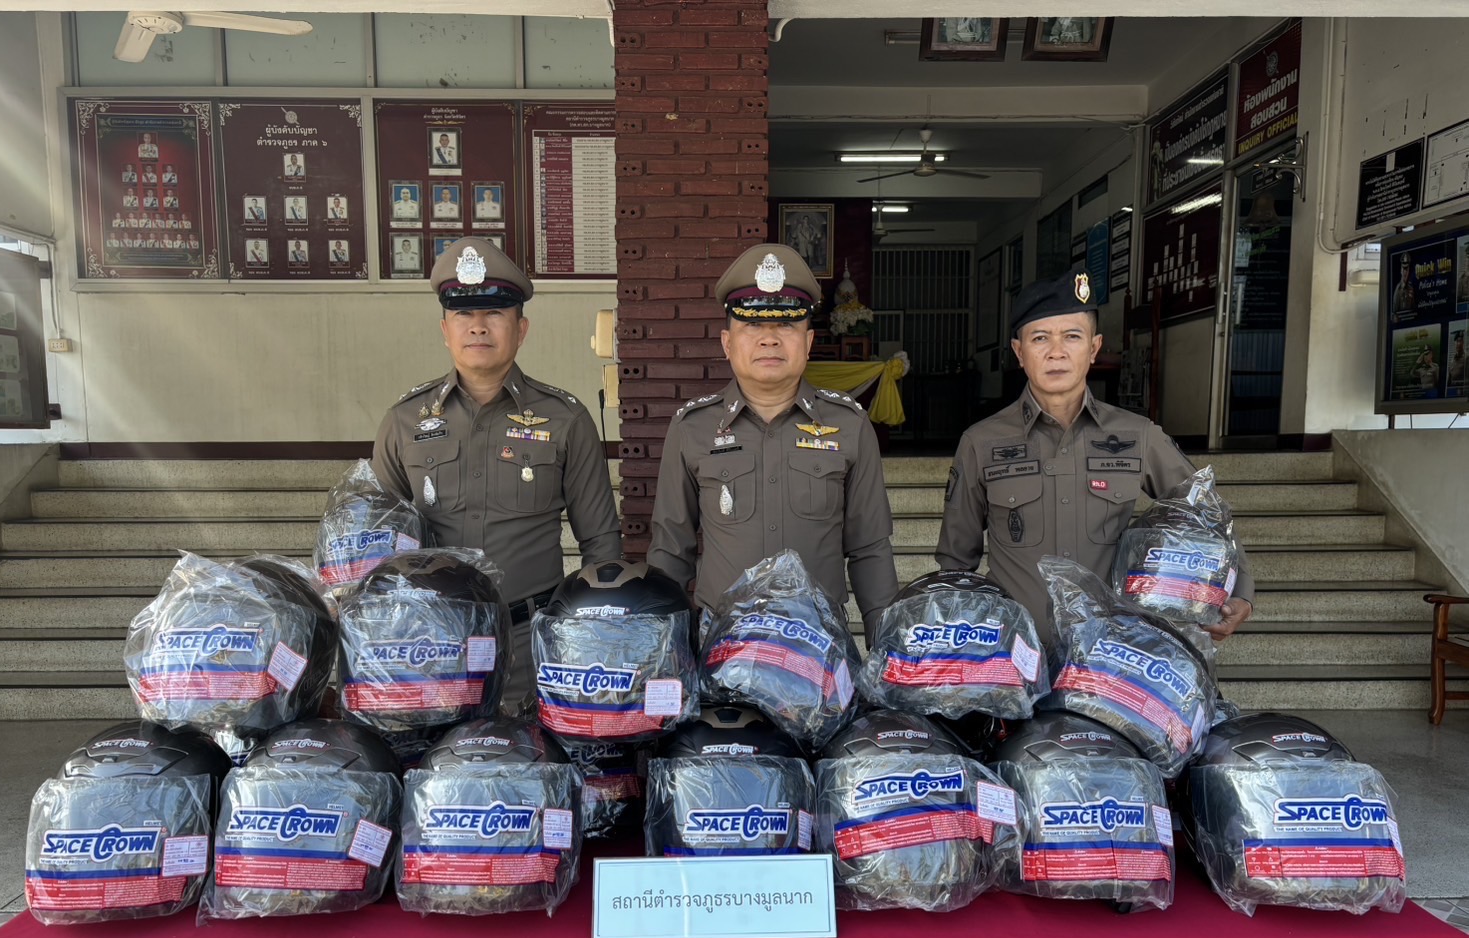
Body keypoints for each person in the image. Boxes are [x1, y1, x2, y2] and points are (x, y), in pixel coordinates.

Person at [937, 265, 1255, 646]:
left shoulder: (1137, 435)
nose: (1056, 352)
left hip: (1110, 656)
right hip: (1016, 653)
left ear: (1093, 348)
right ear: (1019, 352)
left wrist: (1240, 590)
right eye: (1040, 338)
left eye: (1072, 336)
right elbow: (955, 565)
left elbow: (1207, 512)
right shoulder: (980, 443)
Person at [372, 236, 621, 709]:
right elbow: (379, 541)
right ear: (445, 329)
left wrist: (590, 638)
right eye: (463, 314)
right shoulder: (404, 422)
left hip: (530, 643)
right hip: (432, 642)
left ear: (521, 329)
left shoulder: (565, 419)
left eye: (494, 313)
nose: (478, 327)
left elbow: (601, 543)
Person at [648, 243, 899, 644]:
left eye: (785, 325)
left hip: (819, 642)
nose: (769, 339)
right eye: (752, 326)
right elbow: (671, 550)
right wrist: (664, 648)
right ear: (727, 343)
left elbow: (870, 548)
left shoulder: (849, 425)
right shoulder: (692, 428)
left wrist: (886, 649)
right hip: (722, 642)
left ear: (808, 341)